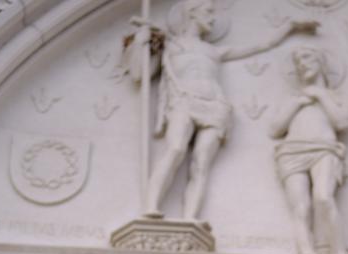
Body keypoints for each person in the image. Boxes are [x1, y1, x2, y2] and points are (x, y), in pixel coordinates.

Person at [128, 0, 317, 221]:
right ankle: (150, 206)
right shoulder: (170, 46)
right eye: (208, 13)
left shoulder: (213, 51)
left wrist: (290, 27)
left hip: (215, 108)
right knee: (175, 149)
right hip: (183, 102)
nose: (212, 18)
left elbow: (261, 46)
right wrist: (140, 42)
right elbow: (138, 75)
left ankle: (190, 218)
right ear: (192, 14)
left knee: (201, 164)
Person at [269, 47, 348, 254]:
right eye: (298, 61)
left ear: (321, 63)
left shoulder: (338, 97)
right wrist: (297, 104)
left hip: (324, 150)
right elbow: (275, 129)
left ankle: (339, 251)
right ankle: (307, 253)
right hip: (291, 153)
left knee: (323, 198)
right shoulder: (293, 98)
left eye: (306, 58)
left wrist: (321, 96)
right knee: (301, 207)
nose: (302, 64)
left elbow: (342, 122)